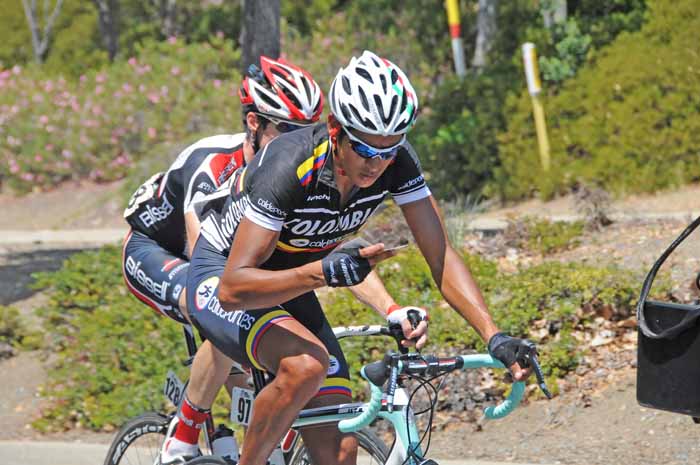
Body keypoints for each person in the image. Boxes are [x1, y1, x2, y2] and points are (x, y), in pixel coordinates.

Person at [179, 50, 532, 465]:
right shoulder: (289, 165)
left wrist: (495, 336)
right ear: (335, 130)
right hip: (222, 278)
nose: (377, 164)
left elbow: (441, 256)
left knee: (341, 450)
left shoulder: (395, 162)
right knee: (306, 366)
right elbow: (235, 288)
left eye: (389, 150)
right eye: (365, 149)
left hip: (288, 281)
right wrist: (320, 272)